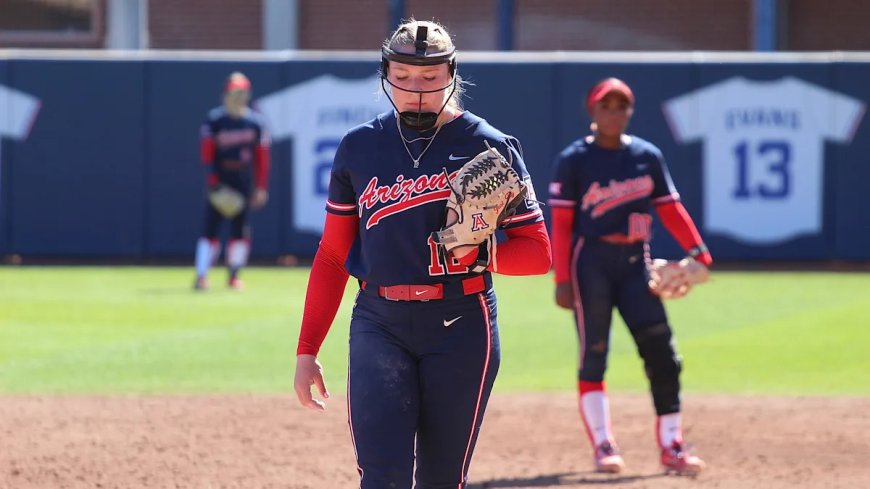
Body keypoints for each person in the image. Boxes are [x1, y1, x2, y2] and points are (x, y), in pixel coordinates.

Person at [293, 19, 551, 489]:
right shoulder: (360, 147)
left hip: (461, 324)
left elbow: (537, 254)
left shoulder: (489, 146)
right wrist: (307, 349)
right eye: (403, 76)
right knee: (382, 476)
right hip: (379, 321)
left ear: (452, 73)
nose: (416, 91)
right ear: (384, 74)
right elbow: (333, 256)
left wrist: (482, 250)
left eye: (430, 78)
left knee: (441, 479)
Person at [547, 77, 713, 475]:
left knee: (664, 355)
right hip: (592, 264)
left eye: (622, 106)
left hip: (637, 261)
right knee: (595, 354)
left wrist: (699, 252)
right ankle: (604, 445)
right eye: (607, 106)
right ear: (593, 111)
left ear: (629, 112)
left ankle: (672, 445)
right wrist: (562, 280)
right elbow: (563, 223)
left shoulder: (645, 156)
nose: (614, 113)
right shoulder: (574, 160)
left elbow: (670, 208)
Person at [193, 72, 271, 290]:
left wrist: (261, 187)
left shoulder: (255, 122)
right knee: (211, 229)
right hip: (222, 177)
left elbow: (262, 159)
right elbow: (207, 154)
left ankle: (234, 275)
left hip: (243, 179)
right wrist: (213, 182)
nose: (239, 97)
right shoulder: (215, 120)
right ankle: (201, 275)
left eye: (243, 93)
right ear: (226, 94)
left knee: (240, 230)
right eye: (235, 92)